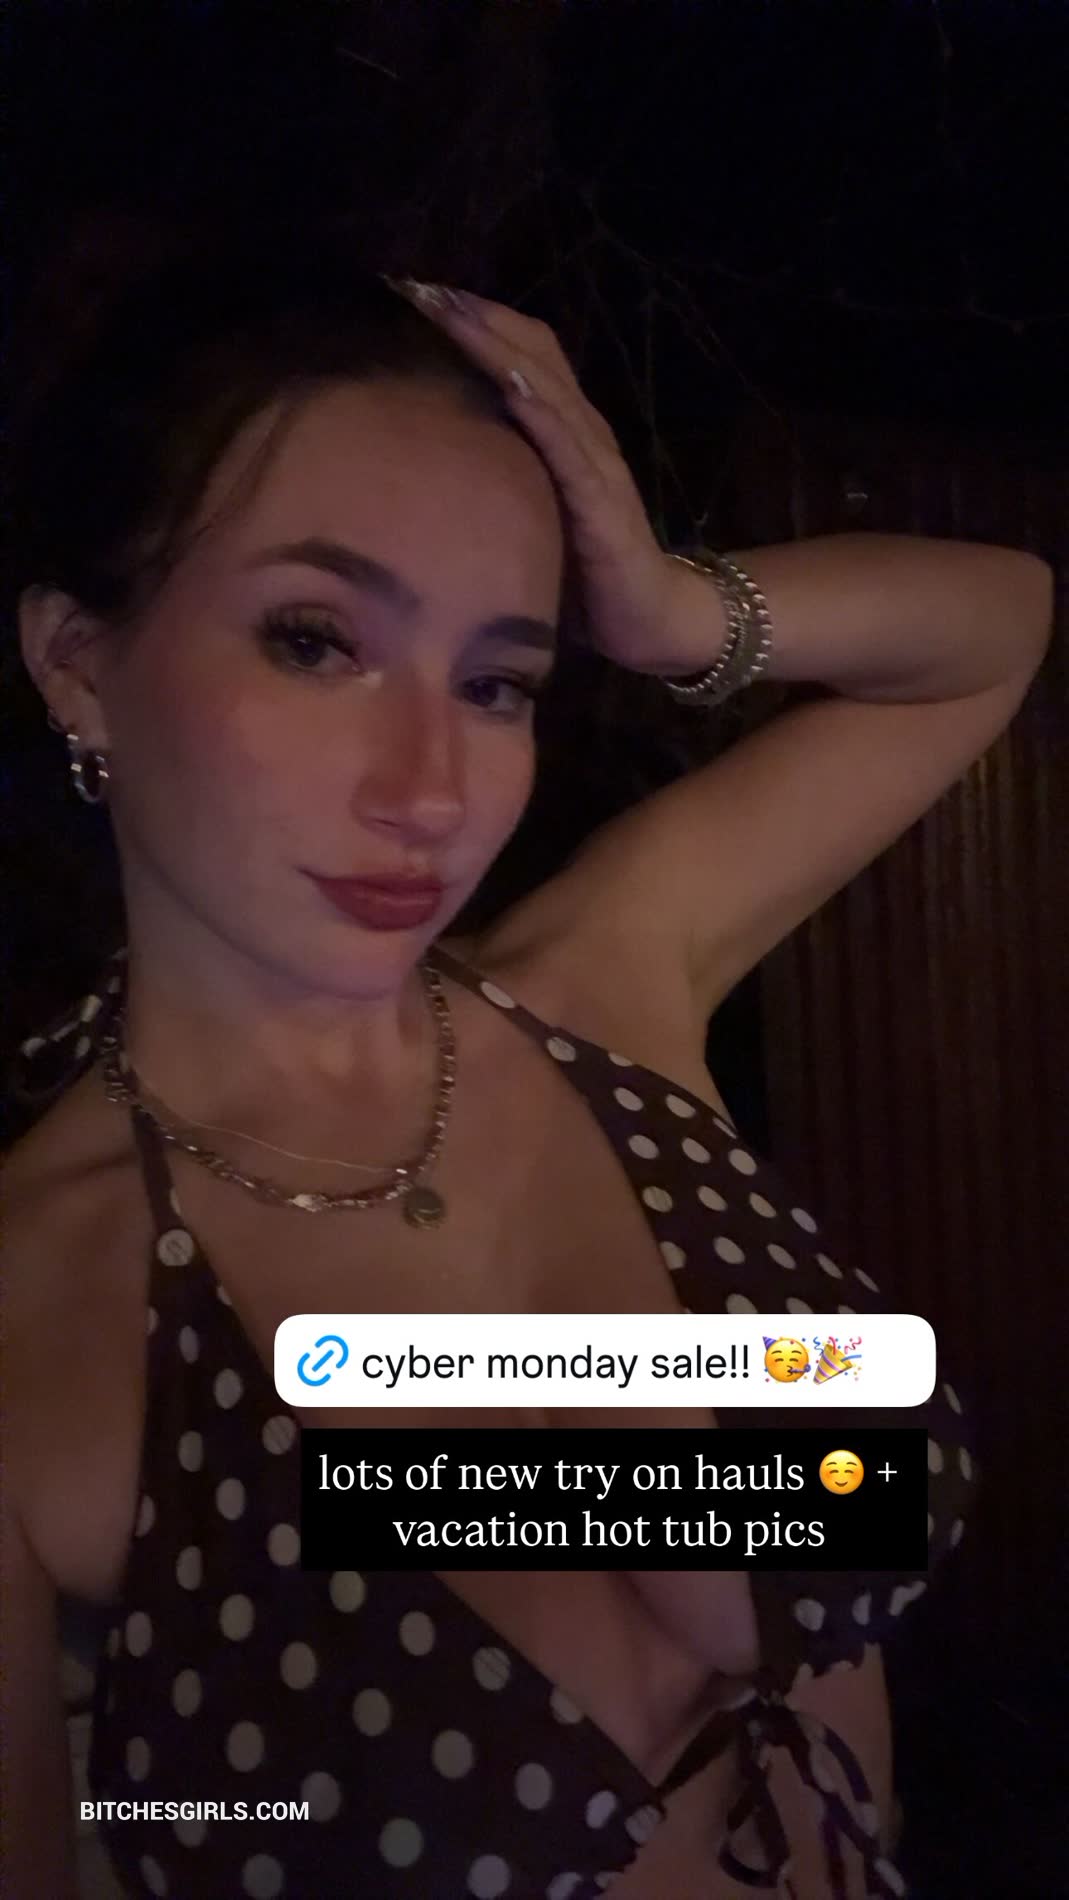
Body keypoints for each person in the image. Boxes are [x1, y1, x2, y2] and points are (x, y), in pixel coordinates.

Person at [0, 217, 1052, 1900]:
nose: (429, 789)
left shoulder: (601, 982)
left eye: (497, 681)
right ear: (78, 664)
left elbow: (995, 626)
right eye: (315, 640)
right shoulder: (39, 1315)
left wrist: (669, 608)